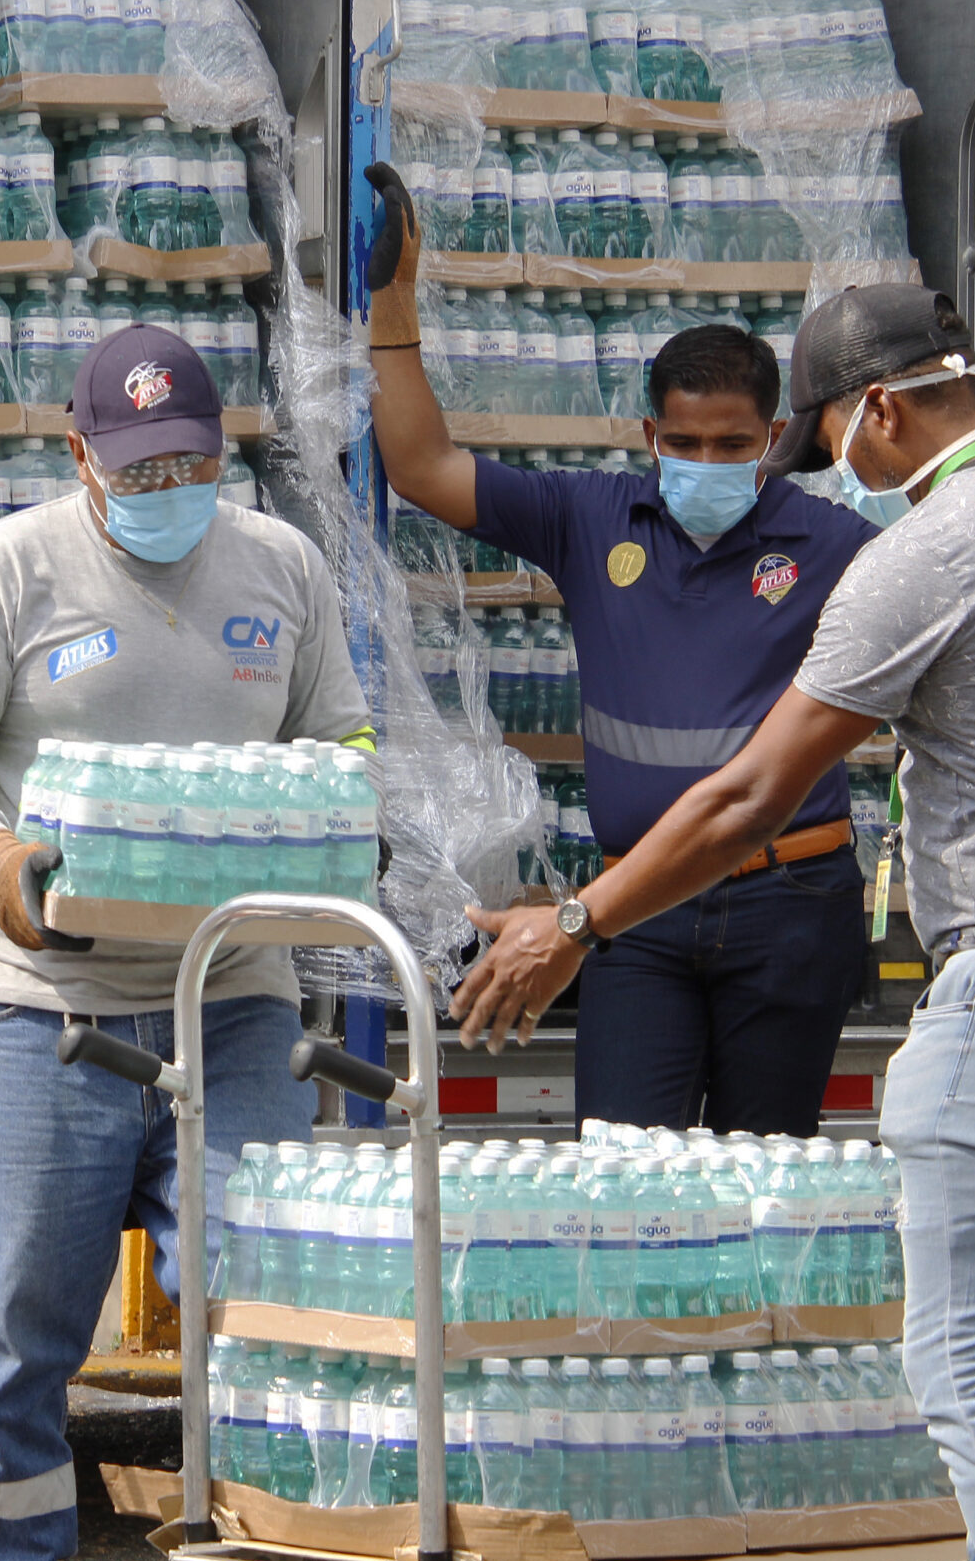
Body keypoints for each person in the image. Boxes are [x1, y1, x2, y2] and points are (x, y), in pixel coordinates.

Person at [449, 282, 975, 1561]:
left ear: (882, 408)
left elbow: (750, 792)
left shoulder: (932, 552)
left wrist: (578, 924)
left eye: (831, 441)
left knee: (966, 1369)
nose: (840, 477)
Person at [0, 325, 375, 1561]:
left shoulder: (281, 568)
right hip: (41, 1011)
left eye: (199, 462)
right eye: (145, 467)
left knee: (275, 1306)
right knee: (24, 1332)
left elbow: (337, 739)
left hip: (237, 1002)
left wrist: (342, 822)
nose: (174, 489)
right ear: (80, 452)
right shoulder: (3, 571)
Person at [362, 161, 879, 1133]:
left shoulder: (836, 545)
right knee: (618, 1167)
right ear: (651, 432)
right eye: (685, 443)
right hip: (632, 905)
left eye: (733, 446)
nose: (707, 463)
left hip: (791, 902)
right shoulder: (589, 518)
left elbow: (960, 584)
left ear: (771, 439)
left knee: (761, 1190)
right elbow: (422, 467)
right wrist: (391, 304)